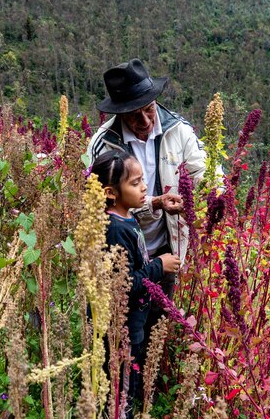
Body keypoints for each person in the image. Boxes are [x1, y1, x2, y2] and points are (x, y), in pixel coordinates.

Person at [87, 58, 206, 271]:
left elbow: (205, 173)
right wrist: (154, 203)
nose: (145, 121)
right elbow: (97, 201)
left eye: (149, 109)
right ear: (120, 112)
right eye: (134, 115)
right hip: (122, 252)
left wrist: (201, 200)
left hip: (169, 249)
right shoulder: (103, 144)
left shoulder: (179, 130)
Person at [91, 150, 180, 413]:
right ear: (110, 192)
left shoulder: (127, 217)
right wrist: (159, 266)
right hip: (122, 325)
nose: (144, 188)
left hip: (133, 323)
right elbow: (123, 284)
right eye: (135, 183)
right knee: (121, 387)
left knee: (129, 376)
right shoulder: (115, 229)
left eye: (143, 180)